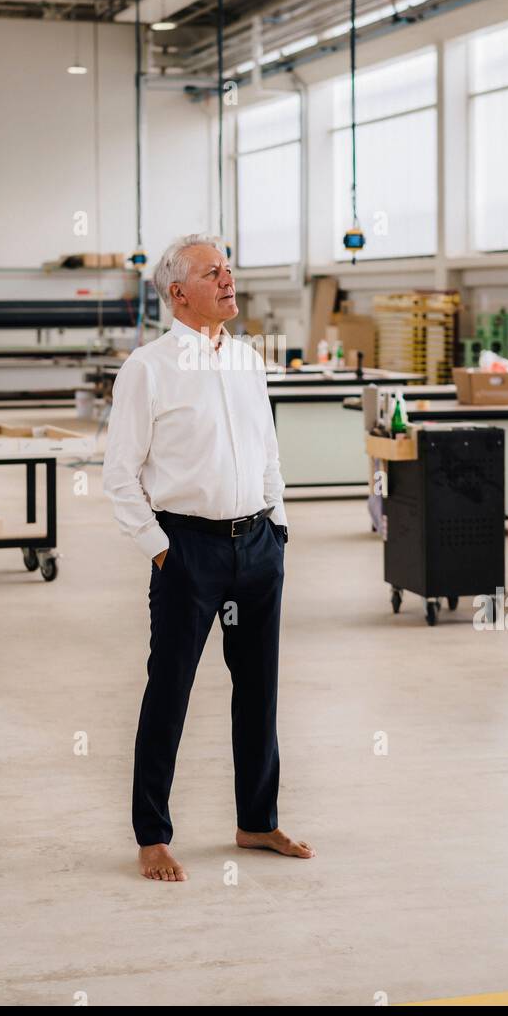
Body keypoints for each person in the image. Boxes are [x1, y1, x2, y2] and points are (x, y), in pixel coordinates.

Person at [102, 233, 315, 882]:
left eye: (228, 269)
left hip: (255, 545)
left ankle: (256, 820)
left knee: (258, 690)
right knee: (169, 691)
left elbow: (267, 450)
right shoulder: (148, 368)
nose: (228, 279)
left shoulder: (249, 360)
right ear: (177, 292)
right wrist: (161, 551)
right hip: (187, 549)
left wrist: (276, 527)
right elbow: (119, 474)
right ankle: (152, 835)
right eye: (211, 272)